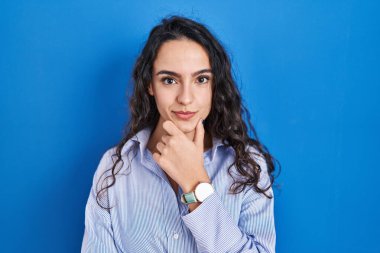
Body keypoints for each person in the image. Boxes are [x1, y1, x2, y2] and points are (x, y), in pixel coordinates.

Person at [81, 15, 279, 253]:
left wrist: (195, 183)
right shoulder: (115, 168)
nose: (185, 98)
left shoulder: (246, 167)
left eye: (201, 79)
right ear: (150, 85)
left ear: (214, 86)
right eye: (170, 80)